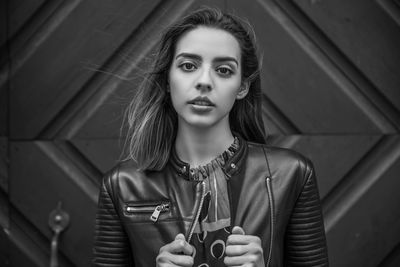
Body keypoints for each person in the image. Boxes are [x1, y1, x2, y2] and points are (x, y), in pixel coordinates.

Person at [92, 6, 328, 267]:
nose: (204, 81)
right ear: (168, 81)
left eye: (224, 70)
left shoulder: (292, 174)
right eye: (188, 65)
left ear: (242, 87)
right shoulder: (122, 186)